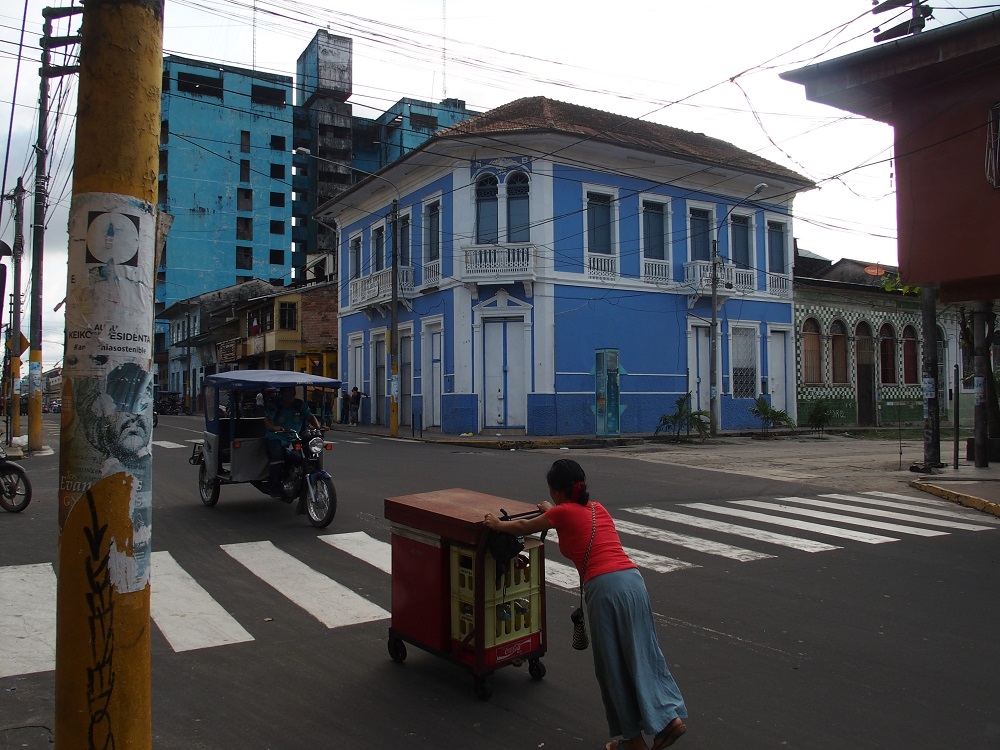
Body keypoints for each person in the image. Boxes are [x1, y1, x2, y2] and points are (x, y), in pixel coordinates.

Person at [484, 459, 688, 750]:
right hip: (633, 582)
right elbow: (565, 518)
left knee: (613, 665)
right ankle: (670, 719)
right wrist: (551, 511)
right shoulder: (597, 508)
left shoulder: (561, 512)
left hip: (605, 588)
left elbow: (522, 526)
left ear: (555, 490)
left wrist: (495, 524)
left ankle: (633, 742)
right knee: (643, 652)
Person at [263, 386, 321, 497]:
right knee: (278, 457)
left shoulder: (299, 405)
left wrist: (318, 427)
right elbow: (267, 420)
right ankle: (273, 486)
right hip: (276, 437)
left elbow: (310, 416)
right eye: (288, 392)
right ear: (282, 393)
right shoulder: (276, 405)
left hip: (294, 437)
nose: (290, 394)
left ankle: (297, 479)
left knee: (303, 457)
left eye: (292, 392)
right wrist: (274, 427)